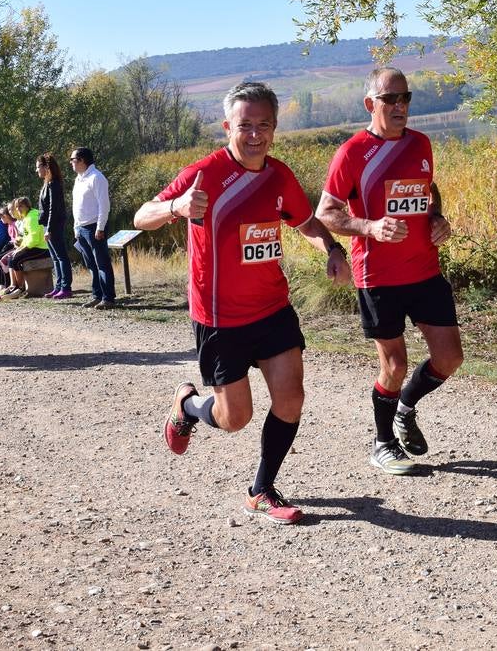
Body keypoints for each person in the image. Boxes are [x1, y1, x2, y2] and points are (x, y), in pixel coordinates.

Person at [137, 81, 350, 524]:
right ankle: (189, 405)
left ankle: (261, 489)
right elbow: (142, 216)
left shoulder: (279, 175)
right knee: (235, 418)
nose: (255, 134)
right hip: (219, 316)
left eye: (264, 125)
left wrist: (331, 249)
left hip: (272, 308)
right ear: (227, 127)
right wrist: (176, 205)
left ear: (274, 128)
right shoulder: (205, 174)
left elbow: (305, 222)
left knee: (290, 398)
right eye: (245, 125)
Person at [316, 67, 463, 475]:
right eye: (390, 99)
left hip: (424, 270)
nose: (400, 106)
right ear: (371, 104)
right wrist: (369, 227)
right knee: (394, 365)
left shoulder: (421, 143)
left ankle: (405, 407)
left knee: (450, 358)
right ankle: (382, 444)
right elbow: (326, 212)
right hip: (377, 276)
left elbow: (428, 192)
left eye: (405, 98)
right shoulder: (351, 152)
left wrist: (438, 218)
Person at [70, 146, 117, 310]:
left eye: (73, 159)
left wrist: (100, 228)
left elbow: (104, 206)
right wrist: (76, 228)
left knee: (102, 263)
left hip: (94, 227)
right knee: (91, 264)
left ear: (82, 160)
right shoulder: (79, 179)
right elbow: (76, 206)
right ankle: (97, 296)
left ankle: (108, 298)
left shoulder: (97, 178)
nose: (71, 163)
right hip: (81, 228)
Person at [36, 152, 72, 299]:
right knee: (55, 258)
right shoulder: (47, 183)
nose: (36, 170)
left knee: (61, 257)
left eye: (38, 167)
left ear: (46, 167)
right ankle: (58, 287)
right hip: (48, 226)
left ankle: (66, 288)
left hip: (54, 226)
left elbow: (53, 208)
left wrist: (49, 229)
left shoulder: (53, 184)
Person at [0, 197, 49, 298]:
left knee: (15, 259)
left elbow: (34, 240)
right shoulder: (26, 217)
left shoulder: (31, 218)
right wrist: (19, 246)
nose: (18, 209)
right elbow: (27, 237)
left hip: (42, 248)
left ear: (27, 206)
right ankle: (14, 286)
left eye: (21, 206)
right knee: (12, 258)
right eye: (16, 207)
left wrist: (21, 249)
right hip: (34, 246)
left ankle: (20, 288)